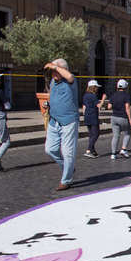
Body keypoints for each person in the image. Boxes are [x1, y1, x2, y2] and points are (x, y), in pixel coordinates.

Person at [43, 59, 79, 191]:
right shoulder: (53, 82)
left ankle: (66, 180)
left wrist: (54, 66)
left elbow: (69, 76)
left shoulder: (71, 82)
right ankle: (67, 167)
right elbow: (52, 95)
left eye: (55, 70)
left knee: (67, 152)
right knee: (50, 149)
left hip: (68, 121)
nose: (53, 73)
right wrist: (48, 104)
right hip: (54, 120)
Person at [108, 79, 131, 159]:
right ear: (125, 87)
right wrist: (130, 119)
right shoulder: (126, 95)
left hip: (114, 117)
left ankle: (113, 154)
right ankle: (123, 149)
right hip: (123, 117)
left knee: (115, 136)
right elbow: (127, 108)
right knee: (127, 133)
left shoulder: (113, 95)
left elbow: (109, 107)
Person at [81, 80, 105, 158]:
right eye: (96, 87)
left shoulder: (85, 95)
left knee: (91, 134)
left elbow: (84, 107)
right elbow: (99, 106)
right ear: (93, 88)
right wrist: (103, 99)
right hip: (93, 116)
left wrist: (85, 115)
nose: (97, 89)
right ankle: (88, 150)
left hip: (87, 116)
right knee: (96, 134)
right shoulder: (93, 96)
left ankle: (93, 152)